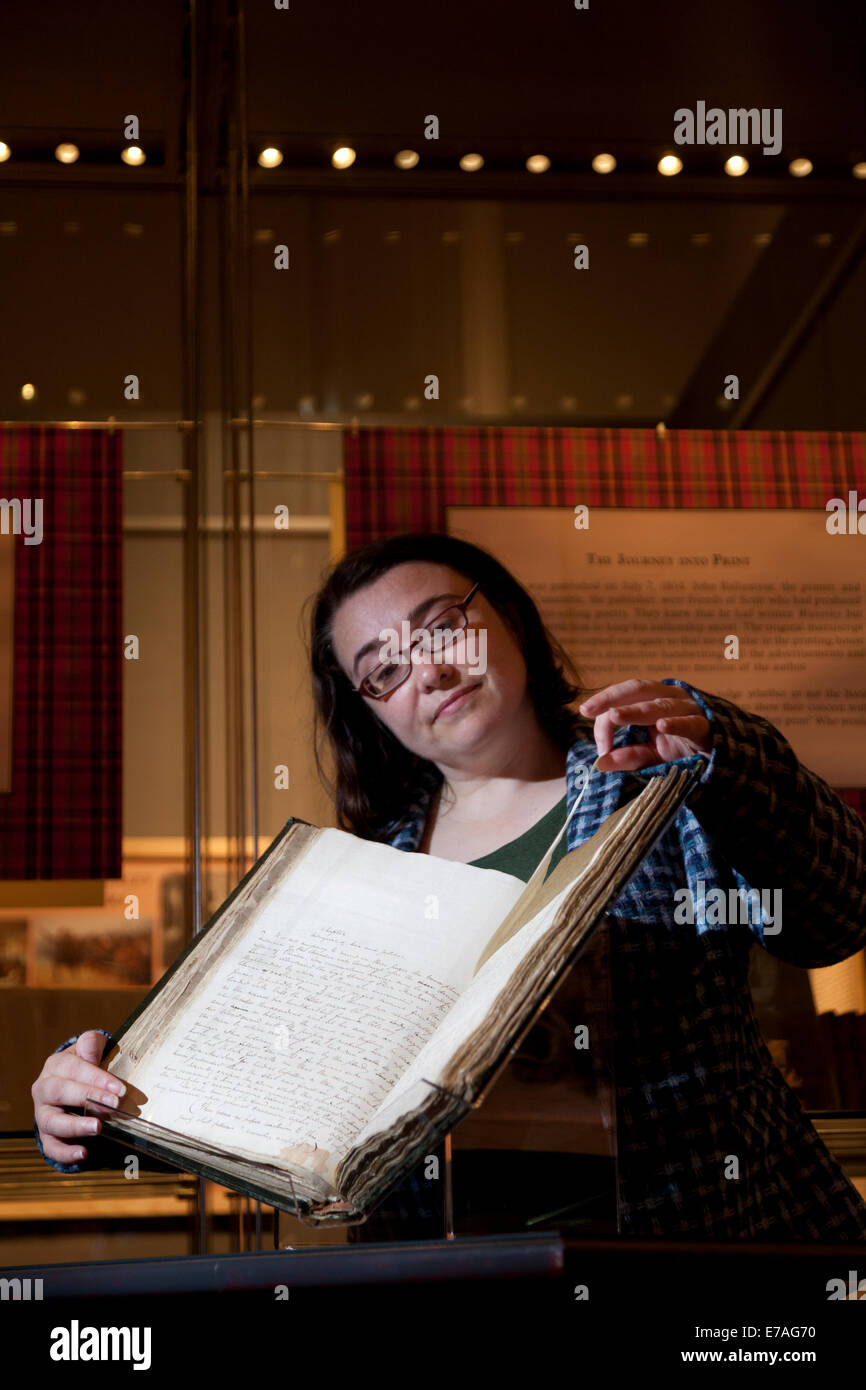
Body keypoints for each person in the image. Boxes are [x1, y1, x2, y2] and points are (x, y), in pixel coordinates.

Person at [32, 531, 866, 1243]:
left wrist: (732, 751)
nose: (426, 671)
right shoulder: (362, 876)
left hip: (704, 1245)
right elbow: (280, 1080)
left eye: (441, 627)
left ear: (507, 615)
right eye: (382, 670)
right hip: (458, 1276)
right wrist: (96, 1098)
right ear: (370, 712)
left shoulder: (662, 777)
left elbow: (835, 917)